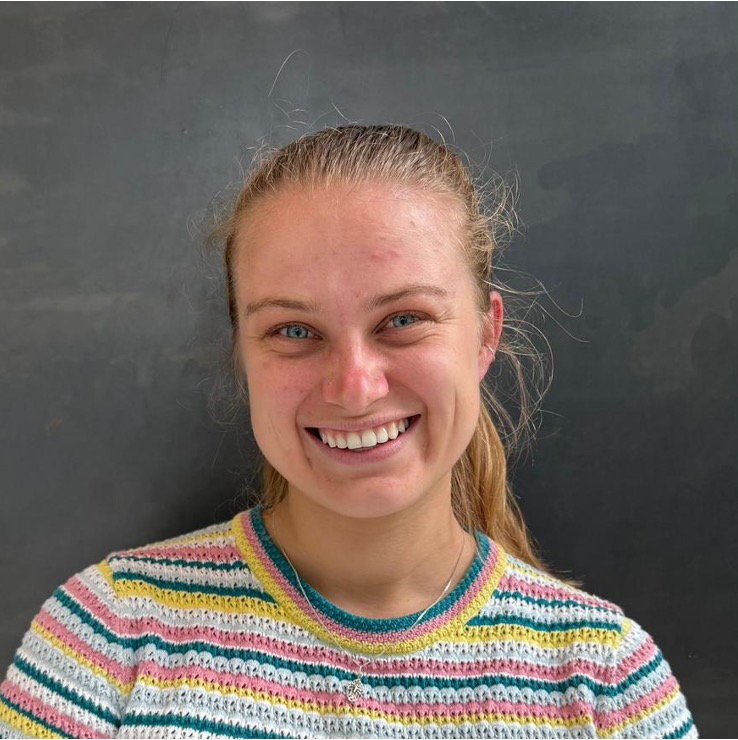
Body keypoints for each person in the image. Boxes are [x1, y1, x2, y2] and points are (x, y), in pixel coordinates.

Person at [0, 125, 696, 738]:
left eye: (403, 320)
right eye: (293, 331)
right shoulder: (104, 638)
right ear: (243, 353)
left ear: (485, 336)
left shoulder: (608, 681)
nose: (354, 387)